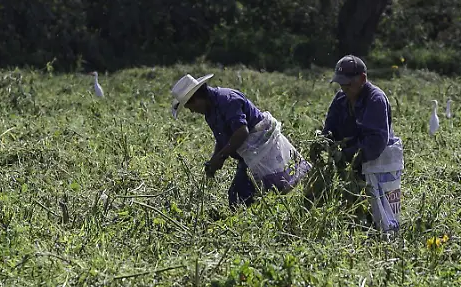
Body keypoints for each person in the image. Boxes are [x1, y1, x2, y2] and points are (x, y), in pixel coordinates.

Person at [171, 73, 310, 208]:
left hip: (260, 147)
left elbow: (241, 132)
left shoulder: (227, 100)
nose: (192, 112)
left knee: (240, 196)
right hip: (248, 153)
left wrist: (220, 157)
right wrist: (214, 161)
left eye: (191, 107)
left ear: (196, 98)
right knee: (255, 192)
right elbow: (222, 139)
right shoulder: (210, 112)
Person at [319, 55, 404, 234]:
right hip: (350, 166)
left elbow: (375, 142)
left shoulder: (375, 100)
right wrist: (323, 141)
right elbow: (330, 128)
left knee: (376, 215)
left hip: (373, 164)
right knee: (350, 210)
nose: (344, 88)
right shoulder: (341, 99)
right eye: (341, 84)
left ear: (362, 79)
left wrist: (347, 155)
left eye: (348, 83)